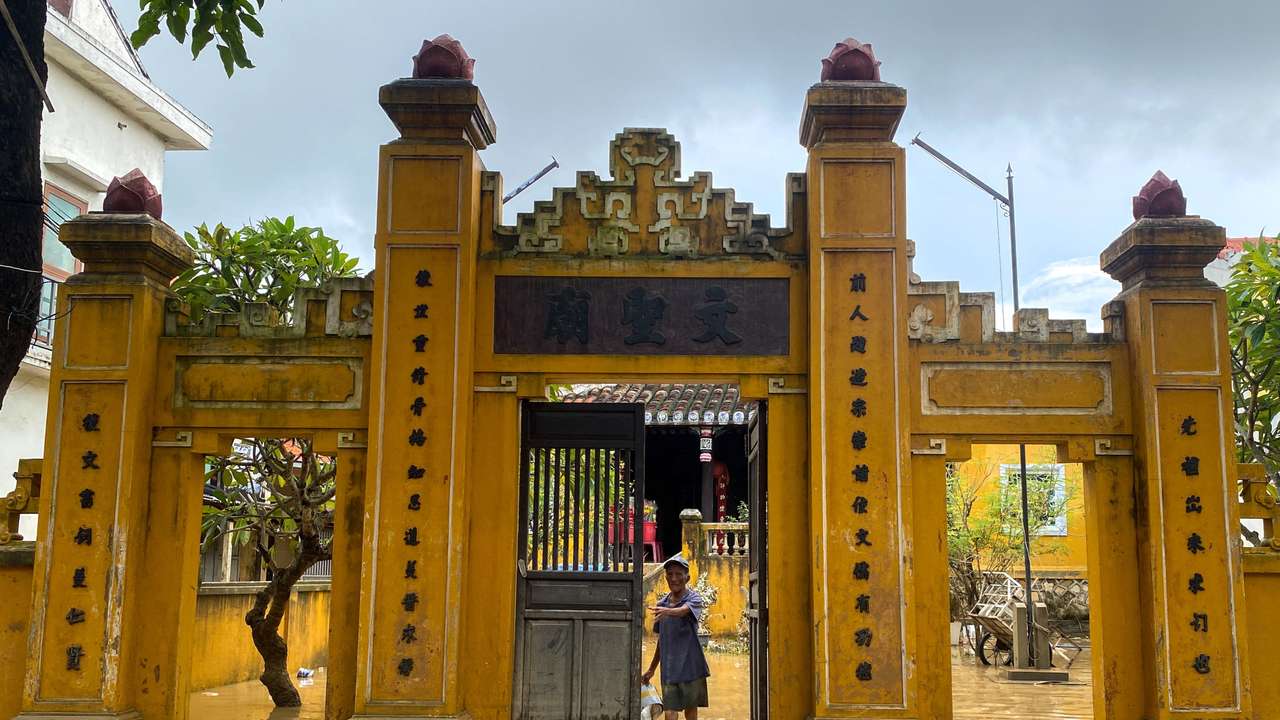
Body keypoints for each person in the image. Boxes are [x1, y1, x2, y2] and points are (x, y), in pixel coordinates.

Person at [641, 556, 711, 719]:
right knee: (670, 713)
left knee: (690, 713)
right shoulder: (662, 604)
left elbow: (684, 610)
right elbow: (662, 641)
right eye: (670, 574)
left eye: (679, 574)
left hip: (691, 668)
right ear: (665, 577)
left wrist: (667, 611)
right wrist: (652, 669)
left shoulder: (694, 599)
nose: (674, 578)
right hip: (670, 670)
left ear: (687, 577)